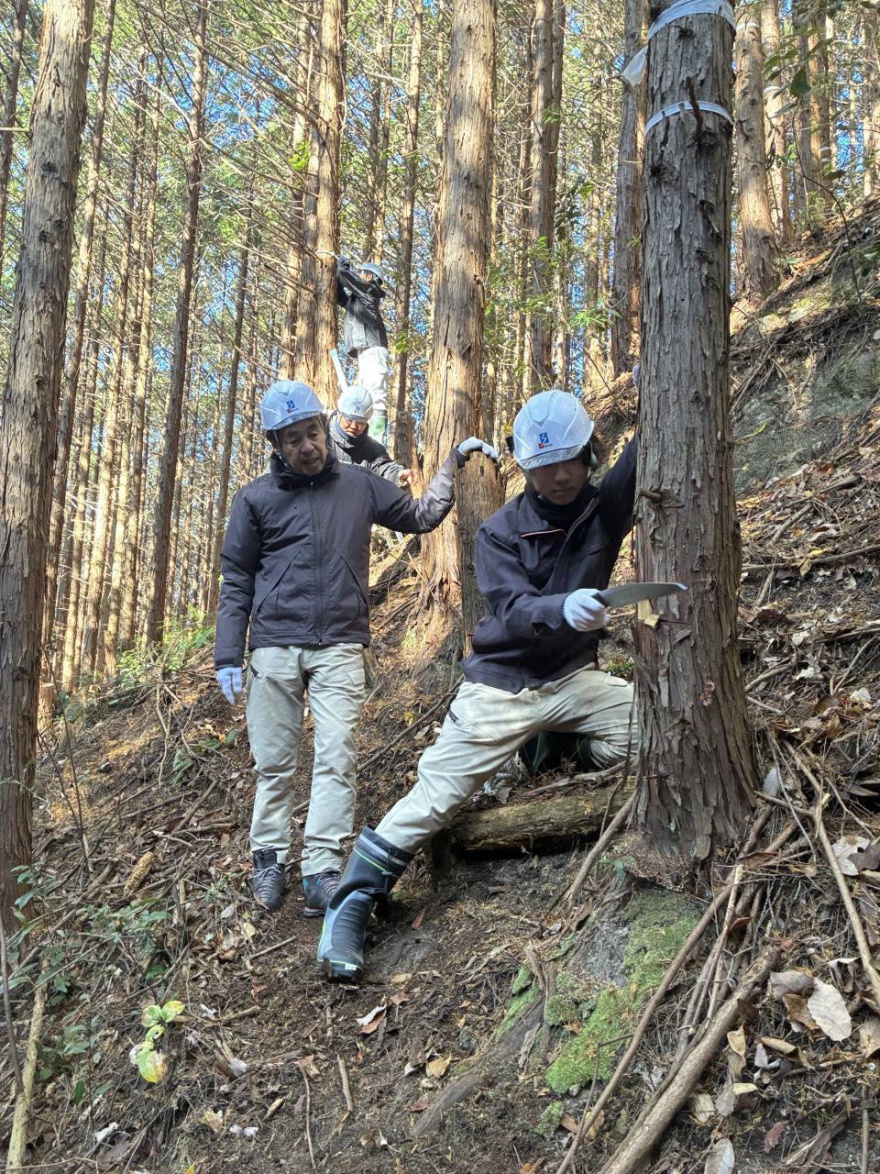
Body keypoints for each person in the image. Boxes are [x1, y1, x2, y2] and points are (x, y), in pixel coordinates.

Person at [318, 389, 638, 982]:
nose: (559, 477)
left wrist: (653, 390)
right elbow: (511, 609)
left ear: (590, 455)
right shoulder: (499, 531)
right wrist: (562, 608)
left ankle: (549, 748)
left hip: (574, 679)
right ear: (526, 466)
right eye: (544, 466)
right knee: (437, 795)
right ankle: (351, 902)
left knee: (650, 729)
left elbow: (645, 454)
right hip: (501, 684)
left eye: (569, 461)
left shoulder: (606, 507)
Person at [214, 378, 497, 916]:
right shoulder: (254, 499)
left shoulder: (360, 484)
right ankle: (268, 859)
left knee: (336, 756)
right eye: (293, 439)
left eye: (312, 432)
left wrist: (452, 466)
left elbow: (419, 517)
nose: (307, 446)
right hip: (273, 644)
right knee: (273, 763)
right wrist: (228, 654)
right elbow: (237, 581)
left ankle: (321, 867)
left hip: (341, 642)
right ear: (276, 444)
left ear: (325, 428)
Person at [336, 258, 392, 442]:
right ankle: (368, 437)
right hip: (366, 349)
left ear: (370, 277)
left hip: (374, 348)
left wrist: (343, 268)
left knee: (375, 394)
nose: (360, 275)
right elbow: (340, 296)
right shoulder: (358, 297)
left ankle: (377, 439)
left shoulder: (369, 291)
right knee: (366, 395)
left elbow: (346, 277)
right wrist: (337, 274)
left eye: (362, 273)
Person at [327, 385, 415, 489]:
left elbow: (384, 467)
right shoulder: (321, 439)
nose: (354, 426)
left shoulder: (372, 449)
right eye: (349, 420)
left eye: (360, 422)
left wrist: (398, 476)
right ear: (339, 414)